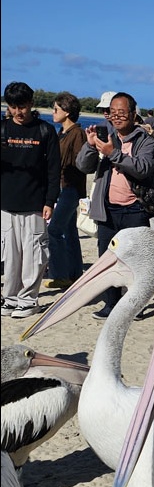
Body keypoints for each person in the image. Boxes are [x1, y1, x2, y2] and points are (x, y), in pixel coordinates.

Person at [75, 91, 154, 318]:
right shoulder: (106, 137)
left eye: (121, 113)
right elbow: (83, 166)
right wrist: (91, 146)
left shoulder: (145, 141)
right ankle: (111, 303)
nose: (116, 117)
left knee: (135, 261)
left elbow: (143, 168)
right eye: (112, 113)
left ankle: (135, 305)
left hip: (135, 209)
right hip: (107, 209)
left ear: (132, 114)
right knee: (107, 260)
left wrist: (113, 153)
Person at [1, 81, 60, 318]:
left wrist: (50, 201)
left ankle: (28, 299)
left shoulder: (45, 131)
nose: (18, 112)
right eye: (13, 107)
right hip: (6, 205)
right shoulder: (3, 129)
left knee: (34, 256)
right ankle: (10, 298)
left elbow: (54, 169)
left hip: (35, 204)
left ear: (31, 104)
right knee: (10, 256)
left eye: (23, 106)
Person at [46, 91, 87, 289]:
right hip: (63, 187)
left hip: (69, 188)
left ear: (67, 111)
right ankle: (74, 274)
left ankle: (61, 274)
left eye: (56, 109)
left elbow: (81, 163)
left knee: (54, 230)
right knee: (69, 231)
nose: (53, 112)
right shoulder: (62, 133)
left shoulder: (77, 133)